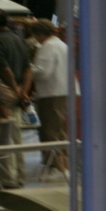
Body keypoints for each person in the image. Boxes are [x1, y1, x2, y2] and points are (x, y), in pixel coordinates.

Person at [0, 11, 32, 188]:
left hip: (1, 96)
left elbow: (4, 68)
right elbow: (28, 68)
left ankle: (8, 178)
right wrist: (23, 90)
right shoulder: (19, 40)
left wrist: (13, 88)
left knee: (4, 137)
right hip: (17, 94)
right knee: (16, 135)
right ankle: (19, 175)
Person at [30, 19, 72, 174]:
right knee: (60, 130)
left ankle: (56, 165)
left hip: (51, 93)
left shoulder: (48, 46)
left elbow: (43, 72)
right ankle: (63, 163)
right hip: (64, 91)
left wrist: (29, 70)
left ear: (40, 34)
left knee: (50, 131)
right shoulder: (62, 45)